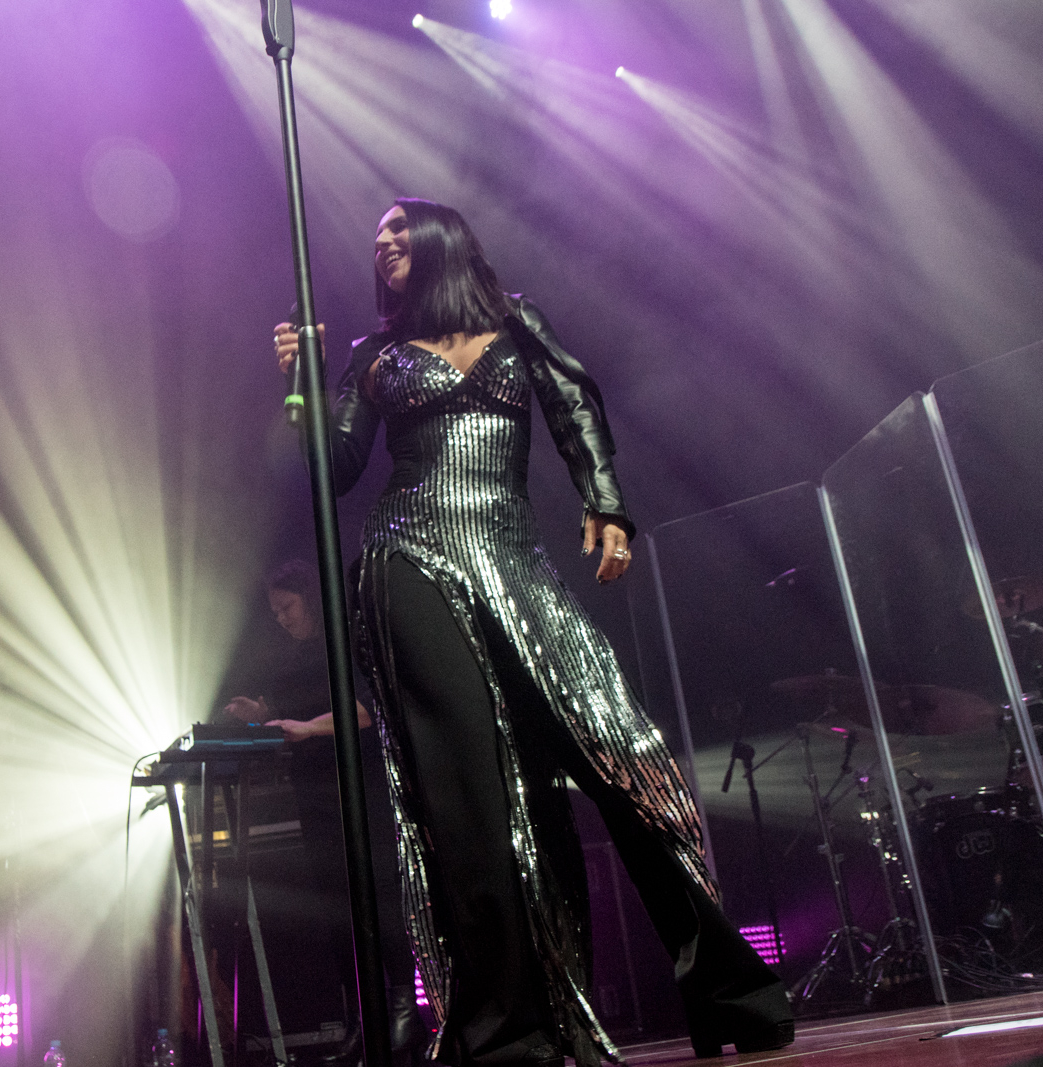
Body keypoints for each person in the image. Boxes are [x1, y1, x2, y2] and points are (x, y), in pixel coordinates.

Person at [270, 199, 792, 1067]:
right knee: (472, 802)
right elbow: (336, 471)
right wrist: (305, 391)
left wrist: (606, 501)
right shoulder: (372, 355)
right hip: (411, 562)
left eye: (399, 229)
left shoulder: (516, 320)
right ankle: (510, 1031)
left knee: (625, 760)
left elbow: (574, 403)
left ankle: (727, 989)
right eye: (375, 239)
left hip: (514, 560)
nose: (383, 243)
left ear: (442, 238)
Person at [223, 560, 424, 1065]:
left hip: (361, 787)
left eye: (287, 607)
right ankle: (360, 1017)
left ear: (310, 598)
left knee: (380, 898)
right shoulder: (292, 659)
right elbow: (290, 714)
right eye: (274, 612)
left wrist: (310, 728)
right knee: (338, 907)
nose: (281, 618)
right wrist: (260, 715)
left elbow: (369, 710)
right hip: (313, 794)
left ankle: (406, 1009)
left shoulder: (347, 643)